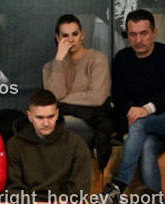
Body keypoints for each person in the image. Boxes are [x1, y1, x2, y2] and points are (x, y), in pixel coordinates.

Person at [106, 9, 165, 202]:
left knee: (139, 122)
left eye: (144, 33)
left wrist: (146, 109)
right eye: (133, 34)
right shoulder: (122, 59)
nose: (138, 40)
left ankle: (120, 183)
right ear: (128, 36)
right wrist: (130, 137)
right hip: (148, 128)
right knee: (146, 145)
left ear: (154, 33)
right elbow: (120, 101)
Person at [6, 89, 92, 204]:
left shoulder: (76, 144)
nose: (46, 123)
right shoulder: (15, 145)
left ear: (57, 114)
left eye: (50, 116)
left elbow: (81, 187)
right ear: (29, 116)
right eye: (40, 117)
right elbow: (12, 188)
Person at [42, 14, 115, 170]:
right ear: (57, 38)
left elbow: (97, 97)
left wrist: (63, 100)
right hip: (60, 124)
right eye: (65, 36)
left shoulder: (97, 59)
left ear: (83, 35)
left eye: (75, 34)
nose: (71, 39)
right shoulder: (49, 68)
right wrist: (59, 60)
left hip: (91, 123)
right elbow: (54, 98)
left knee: (56, 125)